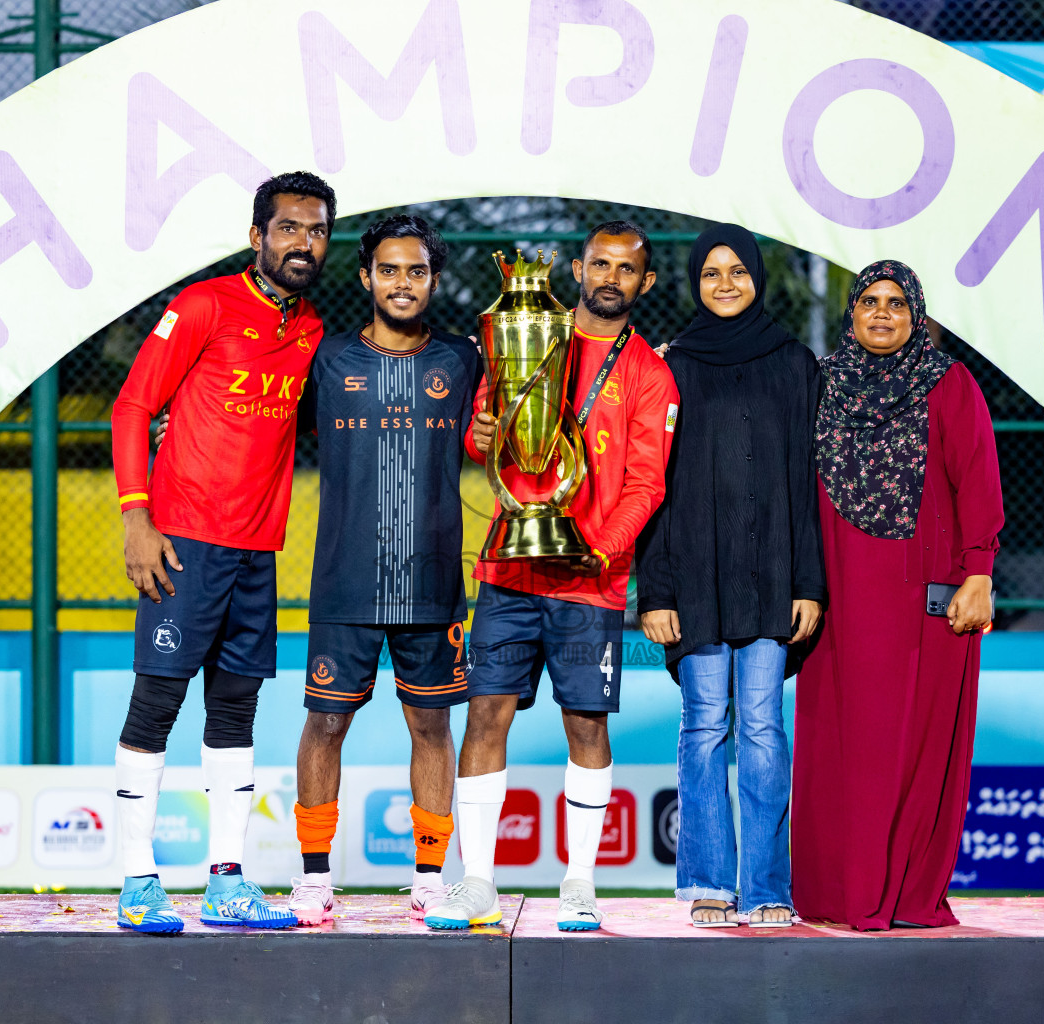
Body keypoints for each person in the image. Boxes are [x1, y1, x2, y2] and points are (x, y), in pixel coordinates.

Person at [425, 221, 680, 933]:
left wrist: (601, 550)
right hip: (510, 563)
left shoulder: (649, 373)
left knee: (586, 722)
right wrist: (482, 432)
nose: (610, 277)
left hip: (589, 580)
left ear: (644, 283)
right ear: (576, 267)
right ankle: (477, 882)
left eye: (626, 269)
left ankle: (579, 882)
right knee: (485, 715)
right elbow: (490, 425)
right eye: (599, 262)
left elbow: (646, 483)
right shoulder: (524, 332)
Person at [108, 170, 335, 933]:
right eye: (290, 228)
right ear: (257, 236)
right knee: (158, 703)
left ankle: (226, 881)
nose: (304, 243)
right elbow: (133, 404)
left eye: (316, 230)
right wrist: (138, 518)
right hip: (182, 544)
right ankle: (138, 882)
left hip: (255, 553)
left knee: (236, 710)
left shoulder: (311, 330)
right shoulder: (202, 305)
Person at [791, 260, 1002, 930]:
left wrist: (980, 572)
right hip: (836, 596)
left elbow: (976, 477)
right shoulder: (821, 382)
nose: (882, 314)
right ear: (851, 311)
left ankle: (906, 892)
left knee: (914, 743)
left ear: (917, 315)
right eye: (870, 302)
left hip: (924, 598)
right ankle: (839, 894)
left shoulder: (947, 383)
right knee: (840, 744)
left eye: (897, 304)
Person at [283, 214, 482, 925]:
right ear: (365, 278)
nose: (403, 283)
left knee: (431, 728)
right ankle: (312, 878)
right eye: (390, 270)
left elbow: (504, 432)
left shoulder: (464, 359)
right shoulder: (327, 360)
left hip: (431, 586)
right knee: (324, 726)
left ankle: (430, 879)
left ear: (435, 279)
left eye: (418, 271)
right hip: (344, 580)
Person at [636, 224, 825, 928]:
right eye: (711, 271)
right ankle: (710, 883)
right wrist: (654, 591)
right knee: (703, 729)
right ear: (694, 280)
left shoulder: (794, 363)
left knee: (764, 730)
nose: (724, 283)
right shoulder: (672, 365)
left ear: (756, 277)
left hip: (773, 576)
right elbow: (649, 485)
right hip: (695, 580)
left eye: (737, 271)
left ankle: (770, 886)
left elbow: (808, 485)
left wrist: (809, 582)